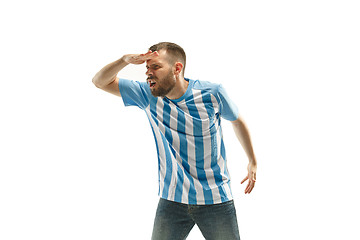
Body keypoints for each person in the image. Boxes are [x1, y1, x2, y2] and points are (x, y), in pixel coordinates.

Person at [92, 42, 257, 240]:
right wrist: (123, 60)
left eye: (156, 67)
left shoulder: (212, 93)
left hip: (215, 198)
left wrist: (252, 160)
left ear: (177, 68)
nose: (148, 73)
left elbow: (237, 121)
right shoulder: (148, 95)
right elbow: (99, 81)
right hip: (172, 200)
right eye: (147, 67)